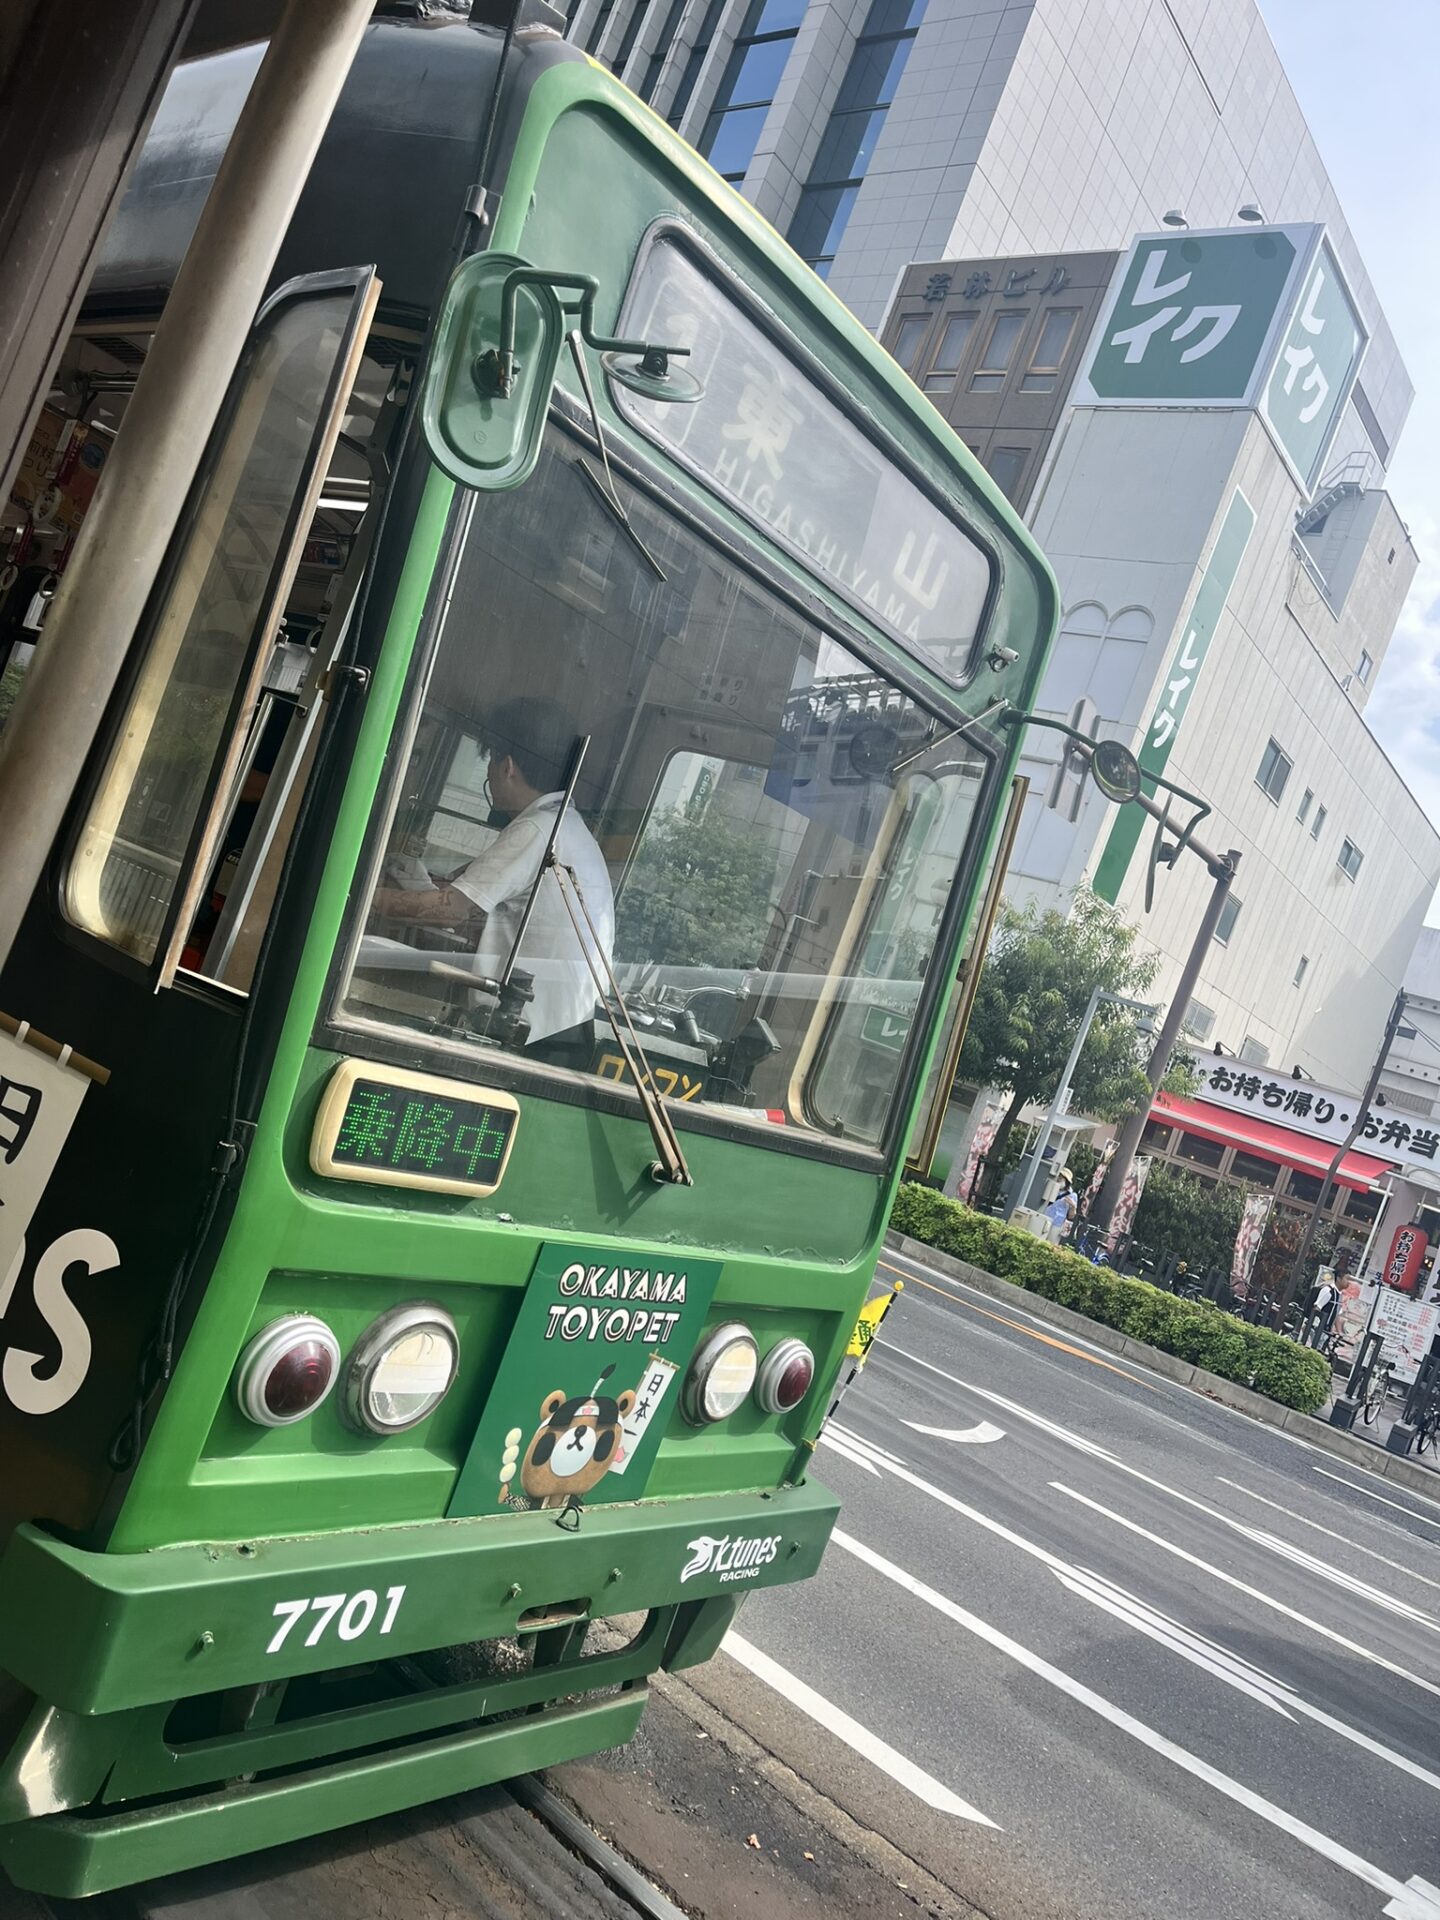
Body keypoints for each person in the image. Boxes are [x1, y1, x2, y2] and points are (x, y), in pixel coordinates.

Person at [369, 697, 614, 1047]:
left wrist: (364, 898)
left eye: (489, 761)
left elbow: (450, 909)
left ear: (507, 767)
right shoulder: (569, 828)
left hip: (532, 1032)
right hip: (567, 1025)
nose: (488, 773)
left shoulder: (538, 829)